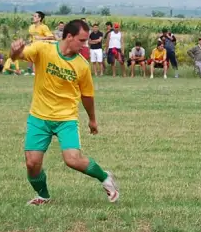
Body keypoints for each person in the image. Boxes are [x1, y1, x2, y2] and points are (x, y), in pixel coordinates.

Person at [10, 19, 119, 206]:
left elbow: (87, 96)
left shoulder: (82, 65)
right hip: (39, 116)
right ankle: (43, 196)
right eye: (82, 40)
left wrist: (92, 120)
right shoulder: (44, 49)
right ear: (69, 37)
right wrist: (15, 50)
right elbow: (16, 57)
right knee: (32, 163)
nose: (85, 45)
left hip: (66, 119)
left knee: (73, 160)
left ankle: (105, 177)